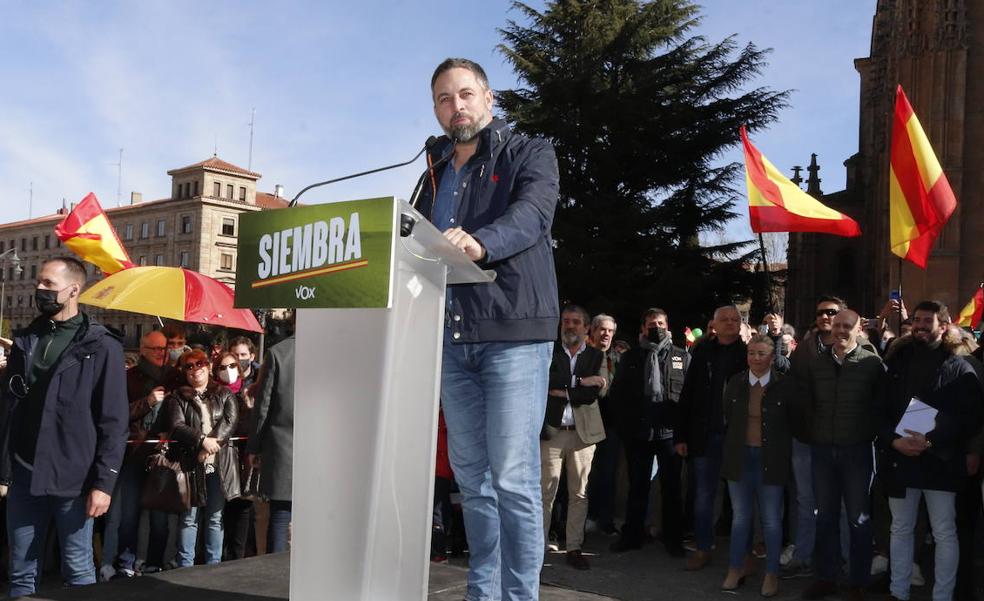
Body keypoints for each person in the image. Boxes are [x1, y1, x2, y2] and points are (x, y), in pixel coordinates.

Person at [417, 57, 560, 600]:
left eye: (465, 94)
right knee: (473, 484)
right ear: (435, 109)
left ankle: (520, 596)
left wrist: (482, 241)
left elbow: (534, 214)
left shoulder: (528, 151)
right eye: (444, 99)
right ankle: (483, 593)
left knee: (513, 482)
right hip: (453, 341)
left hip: (514, 337)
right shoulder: (432, 171)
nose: (456, 106)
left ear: (488, 98)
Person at [0, 257, 128, 597]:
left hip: (75, 479)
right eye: (38, 282)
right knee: (21, 571)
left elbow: (114, 421)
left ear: (73, 290)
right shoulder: (27, 339)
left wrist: (104, 483)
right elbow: (8, 409)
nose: (38, 289)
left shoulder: (102, 345)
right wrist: (4, 470)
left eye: (48, 285)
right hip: (25, 473)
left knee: (77, 567)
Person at [876, 301, 984, 601]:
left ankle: (943, 596)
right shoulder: (897, 359)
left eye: (928, 320)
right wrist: (893, 441)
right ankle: (898, 592)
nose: (920, 325)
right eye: (917, 320)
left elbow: (970, 417)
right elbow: (879, 407)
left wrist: (931, 440)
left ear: (944, 325)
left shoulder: (959, 366)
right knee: (900, 529)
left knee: (944, 532)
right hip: (901, 457)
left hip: (941, 461)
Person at [799, 309, 884, 601]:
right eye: (837, 326)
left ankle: (857, 581)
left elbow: (881, 404)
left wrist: (869, 433)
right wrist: (812, 433)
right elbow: (807, 402)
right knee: (825, 517)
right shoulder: (817, 362)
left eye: (847, 326)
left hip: (857, 451)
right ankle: (826, 576)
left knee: (858, 519)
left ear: (859, 329)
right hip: (822, 450)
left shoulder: (872, 363)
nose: (841, 331)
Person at [674, 305, 752, 571]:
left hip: (738, 438)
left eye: (735, 320)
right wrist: (681, 435)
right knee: (703, 497)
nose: (730, 324)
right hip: (705, 436)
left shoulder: (748, 354)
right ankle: (703, 549)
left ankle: (743, 554)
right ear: (714, 325)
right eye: (725, 320)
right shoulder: (702, 353)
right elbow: (689, 395)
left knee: (741, 500)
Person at [610, 308, 689, 557]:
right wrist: (625, 430)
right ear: (643, 329)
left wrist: (684, 435)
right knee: (637, 487)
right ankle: (632, 535)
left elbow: (689, 399)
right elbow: (618, 396)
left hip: (669, 434)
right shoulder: (631, 357)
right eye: (652, 324)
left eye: (661, 323)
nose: (657, 328)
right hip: (639, 433)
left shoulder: (681, 357)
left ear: (668, 326)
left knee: (672, 489)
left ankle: (673, 538)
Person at [720, 335, 793, 597]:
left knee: (772, 521)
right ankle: (735, 567)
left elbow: (793, 423)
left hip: (770, 461)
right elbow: (728, 415)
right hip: (740, 458)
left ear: (772, 358)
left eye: (762, 353)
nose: (756, 358)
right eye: (751, 353)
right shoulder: (736, 383)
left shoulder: (784, 386)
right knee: (741, 518)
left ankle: (771, 573)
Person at [101, 330, 174, 579]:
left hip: (162, 456)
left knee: (160, 516)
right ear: (142, 350)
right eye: (155, 348)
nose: (161, 353)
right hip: (133, 454)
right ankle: (125, 562)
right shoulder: (129, 377)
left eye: (164, 349)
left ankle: (155, 561)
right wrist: (149, 401)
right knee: (128, 514)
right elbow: (119, 414)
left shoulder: (173, 377)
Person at [783, 295, 847, 580]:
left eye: (832, 312)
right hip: (806, 437)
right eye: (821, 312)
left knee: (843, 502)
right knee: (806, 499)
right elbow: (793, 390)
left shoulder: (856, 348)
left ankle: (846, 559)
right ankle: (803, 556)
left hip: (842, 440)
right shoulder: (804, 349)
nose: (825, 316)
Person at [540, 305, 606, 570]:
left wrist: (565, 389)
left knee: (579, 493)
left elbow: (597, 392)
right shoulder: (549, 351)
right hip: (552, 433)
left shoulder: (596, 355)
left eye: (576, 322)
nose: (570, 326)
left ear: (586, 328)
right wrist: (580, 382)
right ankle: (538, 548)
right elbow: (545, 382)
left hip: (582, 435)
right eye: (566, 321)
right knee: (545, 493)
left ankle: (574, 547)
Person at [165, 349, 240, 567]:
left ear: (207, 367)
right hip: (190, 465)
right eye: (189, 366)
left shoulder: (224, 393)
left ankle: (213, 566)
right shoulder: (177, 397)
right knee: (189, 519)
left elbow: (230, 421)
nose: (195, 369)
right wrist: (201, 440)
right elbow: (177, 426)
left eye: (199, 364)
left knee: (215, 519)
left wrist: (210, 446)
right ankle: (185, 566)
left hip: (219, 464)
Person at [247, 334, 295, 552]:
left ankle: (275, 577)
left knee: (281, 515)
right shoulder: (335, 349)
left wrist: (254, 447)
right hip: (324, 449)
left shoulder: (278, 353)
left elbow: (263, 406)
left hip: (283, 449)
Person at [215, 351, 256, 560]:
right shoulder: (215, 393)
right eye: (222, 367)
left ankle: (237, 556)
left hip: (243, 456)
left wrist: (249, 408)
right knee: (220, 508)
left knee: (243, 505)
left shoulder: (248, 392)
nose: (228, 371)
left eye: (232, 366)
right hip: (222, 457)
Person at [585, 313, 621, 536]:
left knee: (609, 473)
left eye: (610, 331)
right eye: (602, 330)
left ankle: (605, 519)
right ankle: (588, 516)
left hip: (612, 425)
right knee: (587, 474)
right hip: (588, 423)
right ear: (593, 331)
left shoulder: (618, 358)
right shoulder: (585, 357)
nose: (606, 334)